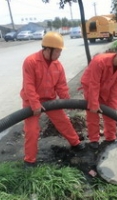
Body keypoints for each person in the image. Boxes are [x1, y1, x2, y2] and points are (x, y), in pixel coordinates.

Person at [20, 31, 85, 166]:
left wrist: (67, 101)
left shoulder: (58, 66)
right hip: (31, 101)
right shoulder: (31, 61)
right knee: (31, 130)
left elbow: (61, 86)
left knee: (63, 121)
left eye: (60, 52)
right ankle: (29, 160)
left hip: (50, 100)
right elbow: (29, 85)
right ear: (47, 49)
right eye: (57, 51)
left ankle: (75, 143)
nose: (59, 54)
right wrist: (35, 104)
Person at [80, 43, 117, 149]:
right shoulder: (99, 61)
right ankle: (94, 140)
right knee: (93, 114)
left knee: (111, 113)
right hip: (90, 87)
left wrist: (114, 106)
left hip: (107, 88)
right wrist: (94, 103)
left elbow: (116, 87)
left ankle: (110, 138)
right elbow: (94, 83)